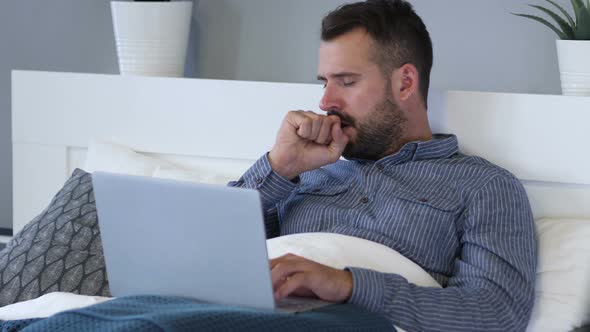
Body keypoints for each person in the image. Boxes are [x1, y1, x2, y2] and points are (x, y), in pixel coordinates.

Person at [230, 0, 537, 331]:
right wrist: (279, 166)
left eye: (346, 82)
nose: (325, 101)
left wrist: (348, 286)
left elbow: (496, 313)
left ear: (405, 83)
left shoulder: (483, 186)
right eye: (324, 81)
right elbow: (213, 252)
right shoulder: (300, 171)